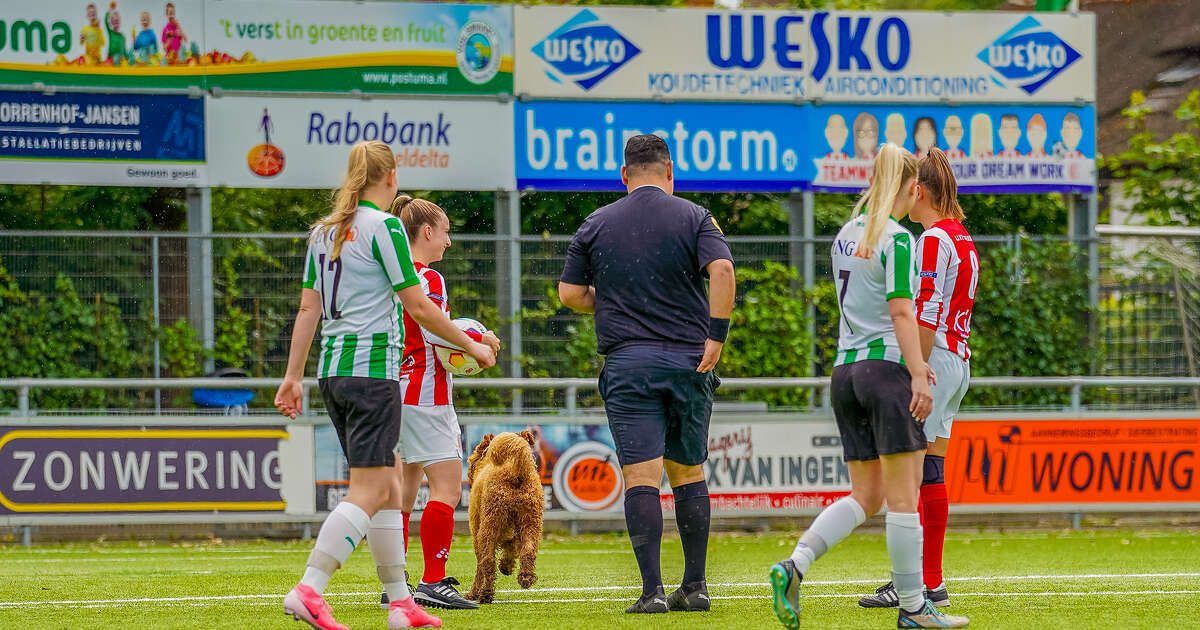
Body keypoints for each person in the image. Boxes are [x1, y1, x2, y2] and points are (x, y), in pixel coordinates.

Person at [274, 140, 496, 630]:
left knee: (393, 488)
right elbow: (418, 306)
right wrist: (474, 346)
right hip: (373, 373)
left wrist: (292, 377)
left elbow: (308, 309)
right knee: (372, 490)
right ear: (390, 176)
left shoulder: (322, 233)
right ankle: (310, 588)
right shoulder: (387, 226)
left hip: (332, 373)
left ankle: (401, 602)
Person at [768, 143, 969, 629]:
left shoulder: (845, 234)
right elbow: (903, 311)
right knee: (903, 499)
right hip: (884, 372)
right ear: (910, 187)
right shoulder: (898, 238)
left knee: (866, 496)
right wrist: (919, 370)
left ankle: (795, 564)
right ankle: (915, 607)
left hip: (845, 373)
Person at [558, 134, 735, 614]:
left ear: (624, 175)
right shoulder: (695, 217)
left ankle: (652, 593)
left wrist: (610, 298)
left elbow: (569, 294)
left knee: (641, 476)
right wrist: (716, 336)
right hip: (688, 361)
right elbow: (721, 270)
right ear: (670, 171)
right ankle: (695, 587)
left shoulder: (597, 222)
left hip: (629, 363)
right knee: (688, 472)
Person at [857, 148, 978, 612]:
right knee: (931, 469)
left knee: (905, 472)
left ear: (918, 189)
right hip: (958, 360)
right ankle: (932, 580)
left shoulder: (929, 240)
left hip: (937, 359)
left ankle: (914, 583)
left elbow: (925, 312)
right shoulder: (961, 237)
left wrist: (916, 371)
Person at [381, 195, 500, 610]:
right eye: (446, 232)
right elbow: (435, 332)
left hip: (394, 391)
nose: (449, 242)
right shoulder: (426, 279)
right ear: (427, 232)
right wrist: (478, 343)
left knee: (402, 493)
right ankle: (434, 581)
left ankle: (395, 583)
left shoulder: (390, 275)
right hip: (426, 395)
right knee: (447, 490)